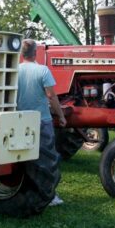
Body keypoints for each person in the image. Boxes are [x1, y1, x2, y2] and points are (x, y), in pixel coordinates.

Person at [17, 39, 67, 206]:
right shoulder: (42, 70)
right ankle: (49, 195)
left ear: (21, 54)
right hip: (41, 120)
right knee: (47, 159)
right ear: (35, 53)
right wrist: (61, 116)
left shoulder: (15, 71)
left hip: (19, 119)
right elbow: (51, 96)